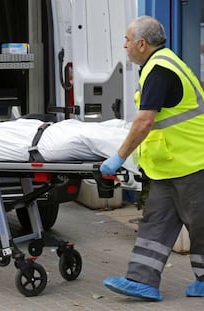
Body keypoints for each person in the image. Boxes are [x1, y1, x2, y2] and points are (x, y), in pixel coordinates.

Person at [100, 15, 204, 301]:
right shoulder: (158, 66)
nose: (125, 45)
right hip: (169, 166)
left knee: (201, 224)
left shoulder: (160, 70)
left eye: (127, 40)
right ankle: (142, 280)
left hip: (194, 163)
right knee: (155, 223)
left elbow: (145, 121)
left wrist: (118, 157)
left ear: (142, 44)